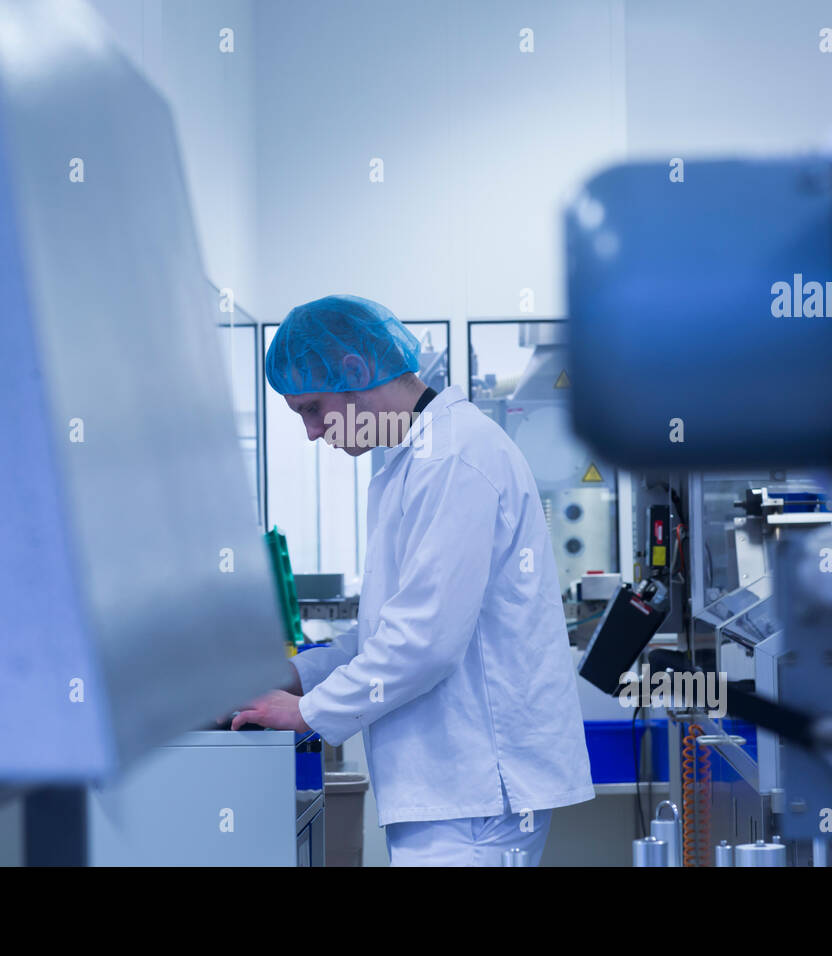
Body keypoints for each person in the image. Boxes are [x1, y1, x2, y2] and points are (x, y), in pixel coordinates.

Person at [232, 294, 594, 866]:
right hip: (455, 790)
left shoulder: (453, 458)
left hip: (475, 793)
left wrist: (307, 713)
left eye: (311, 408)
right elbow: (390, 631)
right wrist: (296, 676)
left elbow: (424, 643)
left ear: (354, 371)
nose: (309, 432)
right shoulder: (413, 459)